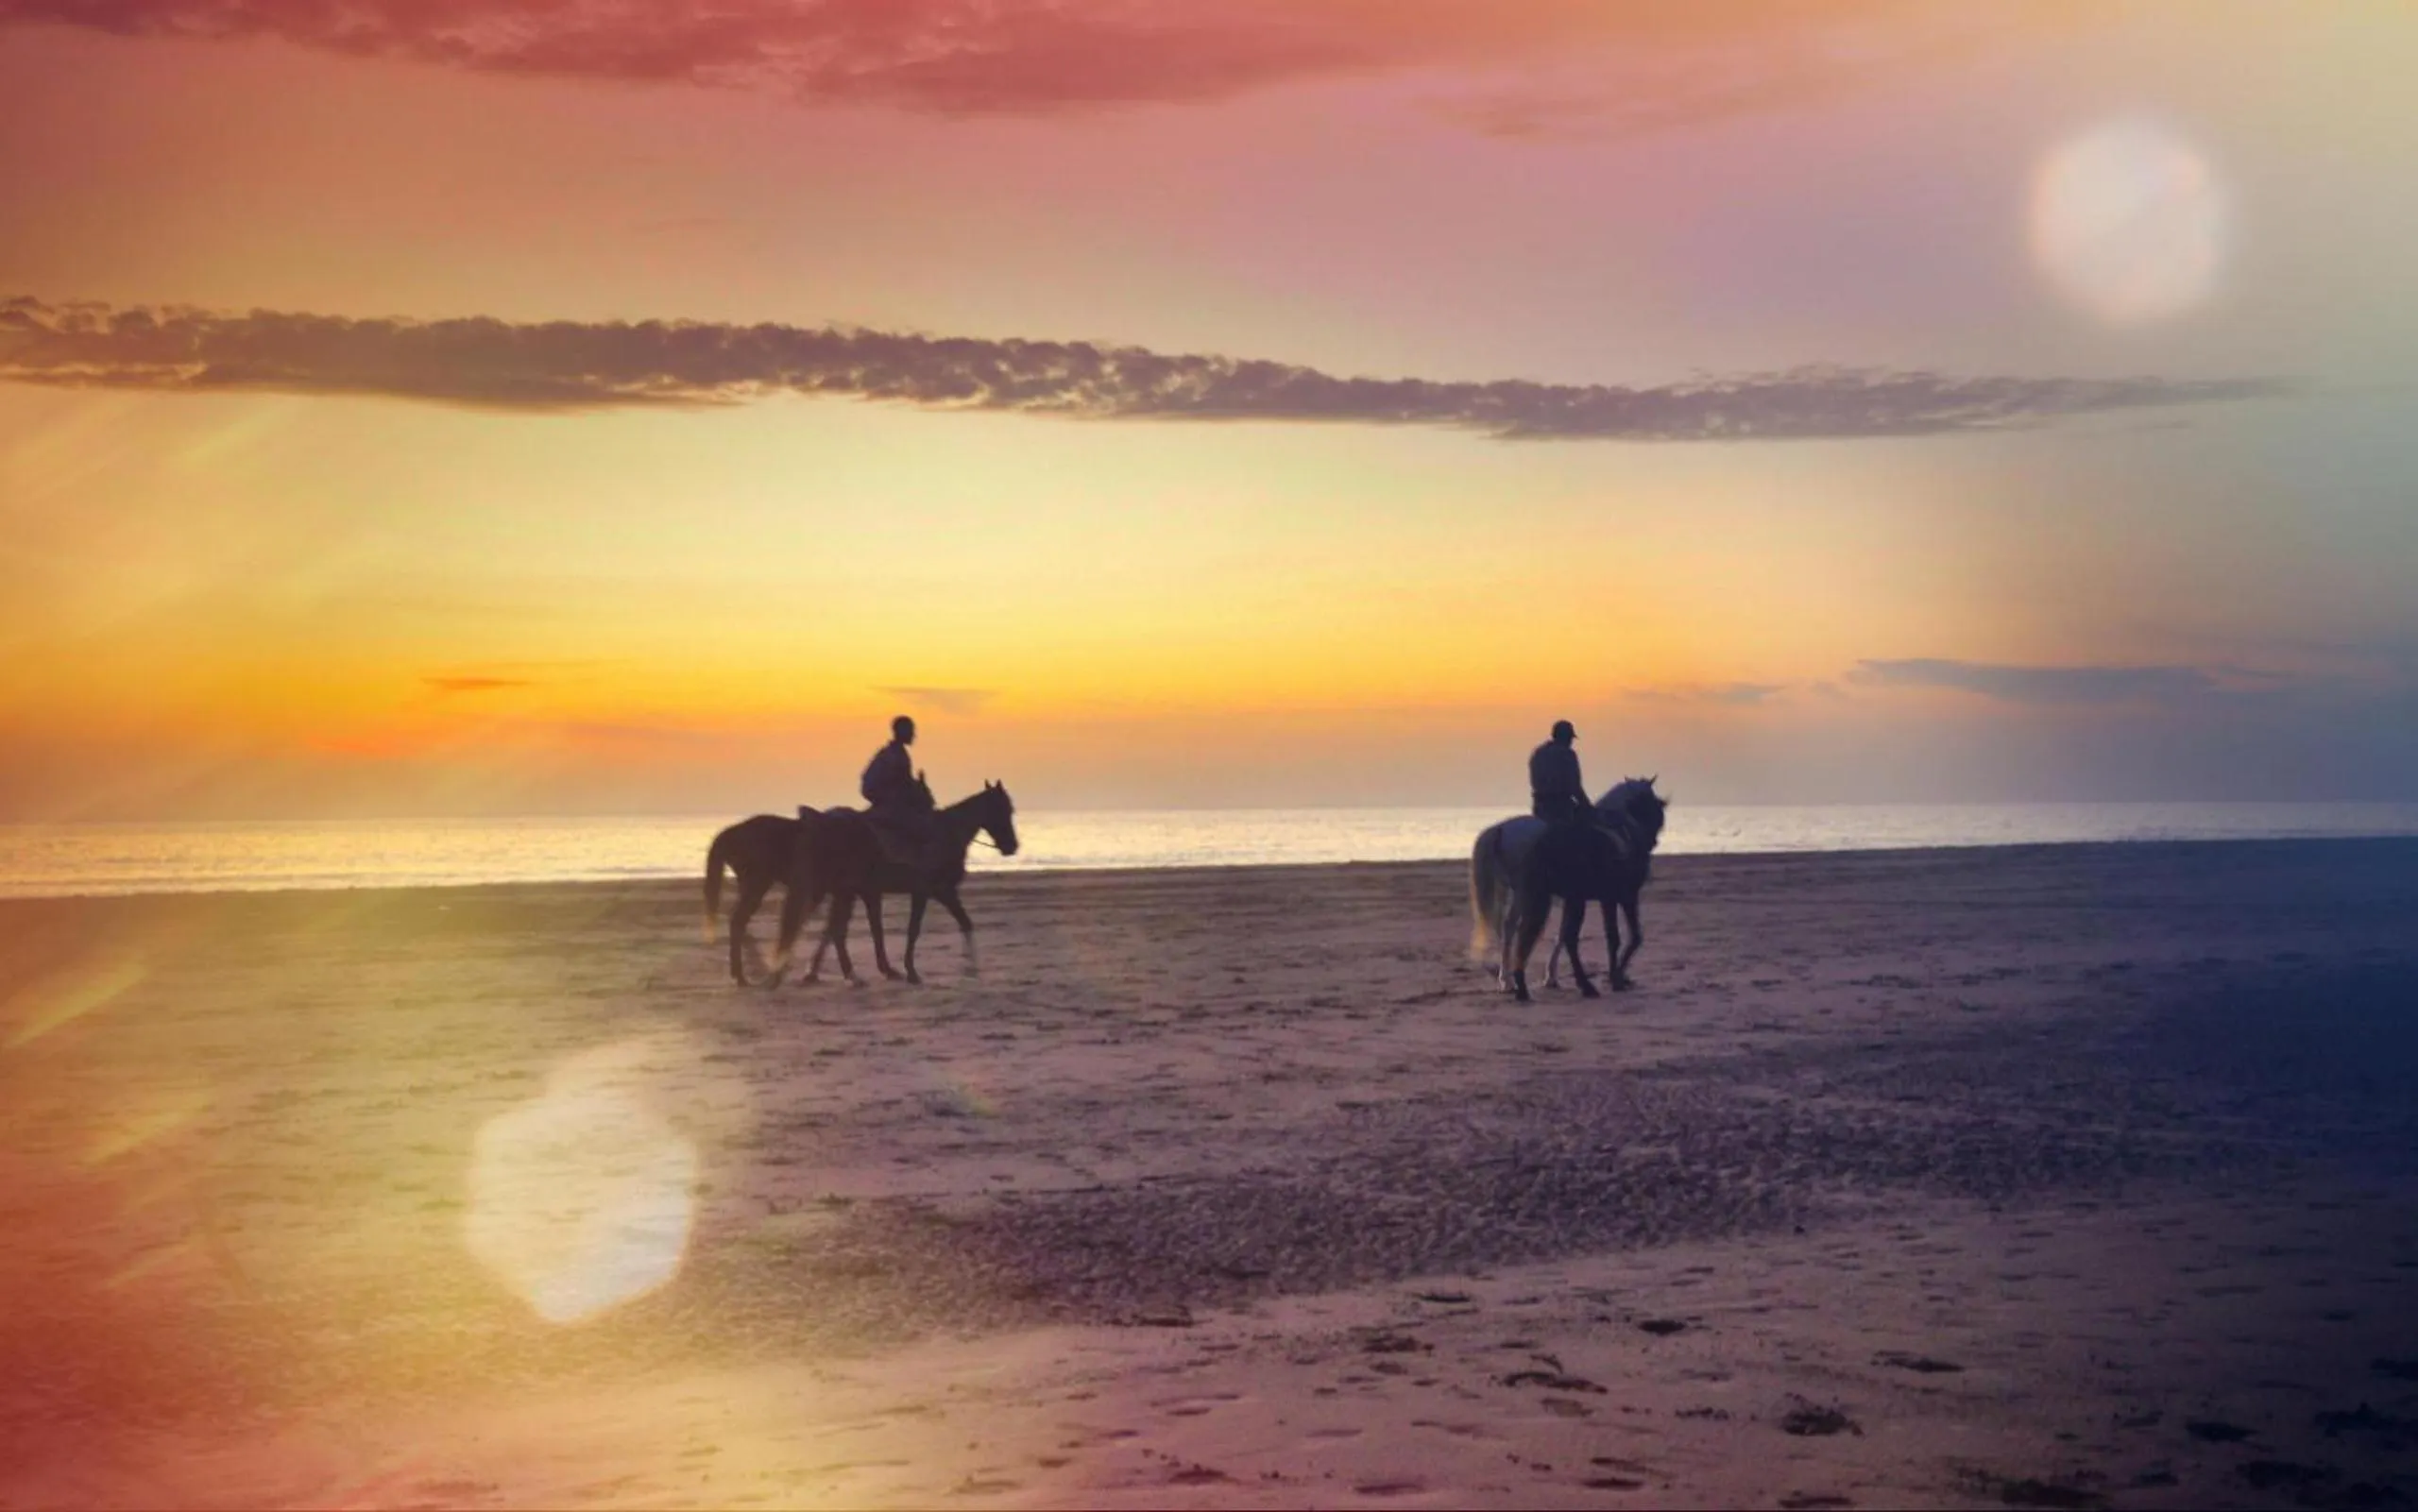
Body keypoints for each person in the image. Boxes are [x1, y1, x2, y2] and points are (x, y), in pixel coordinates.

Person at [861, 715, 940, 867]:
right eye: (911, 731)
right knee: (921, 826)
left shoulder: (893, 752)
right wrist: (920, 788)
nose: (914, 735)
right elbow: (902, 784)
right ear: (902, 731)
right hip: (888, 801)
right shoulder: (896, 755)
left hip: (885, 798)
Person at [1529, 719, 1591, 826]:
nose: (1571, 742)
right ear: (1566, 738)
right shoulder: (1567, 754)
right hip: (1561, 809)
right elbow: (1575, 787)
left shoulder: (1538, 753)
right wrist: (1588, 807)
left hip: (1539, 807)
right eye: (1570, 738)